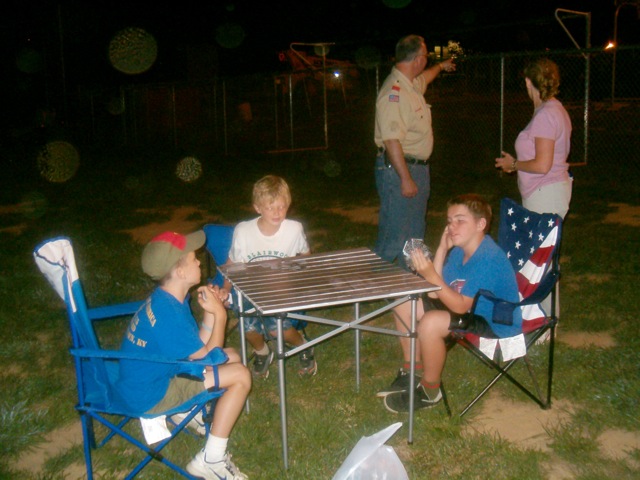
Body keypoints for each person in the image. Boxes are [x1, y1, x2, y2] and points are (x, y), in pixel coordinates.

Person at [118, 230, 251, 480]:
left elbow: (196, 349)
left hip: (149, 378)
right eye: (193, 259)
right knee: (241, 375)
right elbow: (206, 360)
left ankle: (191, 413)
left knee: (232, 355)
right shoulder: (169, 314)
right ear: (180, 272)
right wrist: (220, 315)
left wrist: (210, 311)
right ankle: (211, 460)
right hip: (151, 395)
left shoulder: (167, 300)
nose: (199, 262)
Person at [377, 194, 522, 413]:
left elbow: (460, 307)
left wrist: (430, 274)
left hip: (494, 321)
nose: (452, 226)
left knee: (431, 323)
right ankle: (412, 370)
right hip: (468, 309)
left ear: (481, 224)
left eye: (460, 220)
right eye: (449, 221)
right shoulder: (459, 251)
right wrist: (442, 250)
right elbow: (435, 294)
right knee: (403, 302)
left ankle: (430, 390)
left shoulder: (488, 258)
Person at [222, 175, 317, 378]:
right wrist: (225, 289)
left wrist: (302, 278)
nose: (277, 212)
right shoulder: (243, 231)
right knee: (248, 327)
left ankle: (303, 346)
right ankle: (262, 352)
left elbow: (306, 256)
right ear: (258, 208)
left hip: (283, 289)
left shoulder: (294, 229)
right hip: (251, 289)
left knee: (276, 329)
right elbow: (233, 263)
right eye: (270, 207)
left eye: (282, 207)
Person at [374, 34, 455, 269]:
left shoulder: (409, 85)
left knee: (414, 236)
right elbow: (391, 140)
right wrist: (406, 178)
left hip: (416, 169)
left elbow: (425, 78)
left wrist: (441, 66)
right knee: (393, 237)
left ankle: (408, 286)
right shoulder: (395, 92)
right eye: (426, 55)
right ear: (418, 59)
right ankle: (371, 283)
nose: (427, 60)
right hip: (399, 170)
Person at [494, 57, 572, 219]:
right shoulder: (554, 109)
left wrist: (513, 164)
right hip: (549, 191)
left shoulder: (546, 114)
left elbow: (542, 165)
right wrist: (516, 165)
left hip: (545, 194)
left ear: (528, 82)